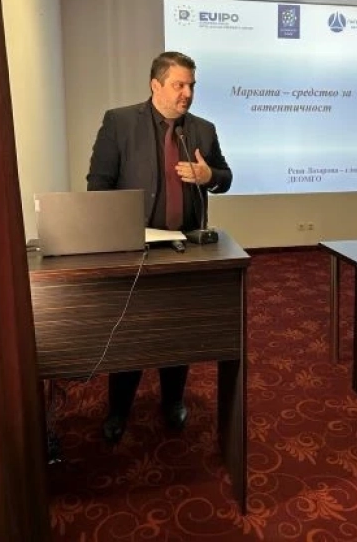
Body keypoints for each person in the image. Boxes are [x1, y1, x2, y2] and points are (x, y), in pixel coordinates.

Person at [87, 51, 232, 443]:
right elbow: (98, 184)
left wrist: (208, 175)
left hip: (185, 248)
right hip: (134, 248)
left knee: (177, 330)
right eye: (179, 84)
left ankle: (173, 400)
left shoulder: (203, 129)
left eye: (192, 85)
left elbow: (226, 178)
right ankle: (119, 408)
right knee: (129, 332)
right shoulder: (119, 122)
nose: (187, 93)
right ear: (156, 85)